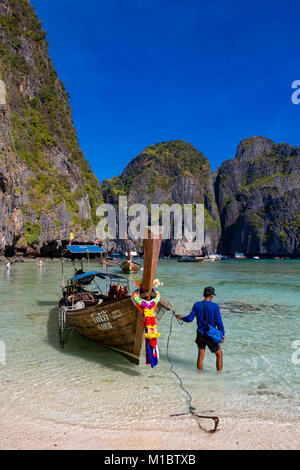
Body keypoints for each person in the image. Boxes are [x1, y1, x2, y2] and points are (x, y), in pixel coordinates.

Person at [176, 286, 225, 371]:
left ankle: (199, 377)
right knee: (219, 354)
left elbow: (190, 319)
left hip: (200, 333)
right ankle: (219, 377)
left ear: (204, 294)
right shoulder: (215, 306)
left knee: (201, 355)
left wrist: (181, 317)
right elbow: (219, 322)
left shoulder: (197, 305)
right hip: (210, 335)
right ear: (212, 295)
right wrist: (222, 334)